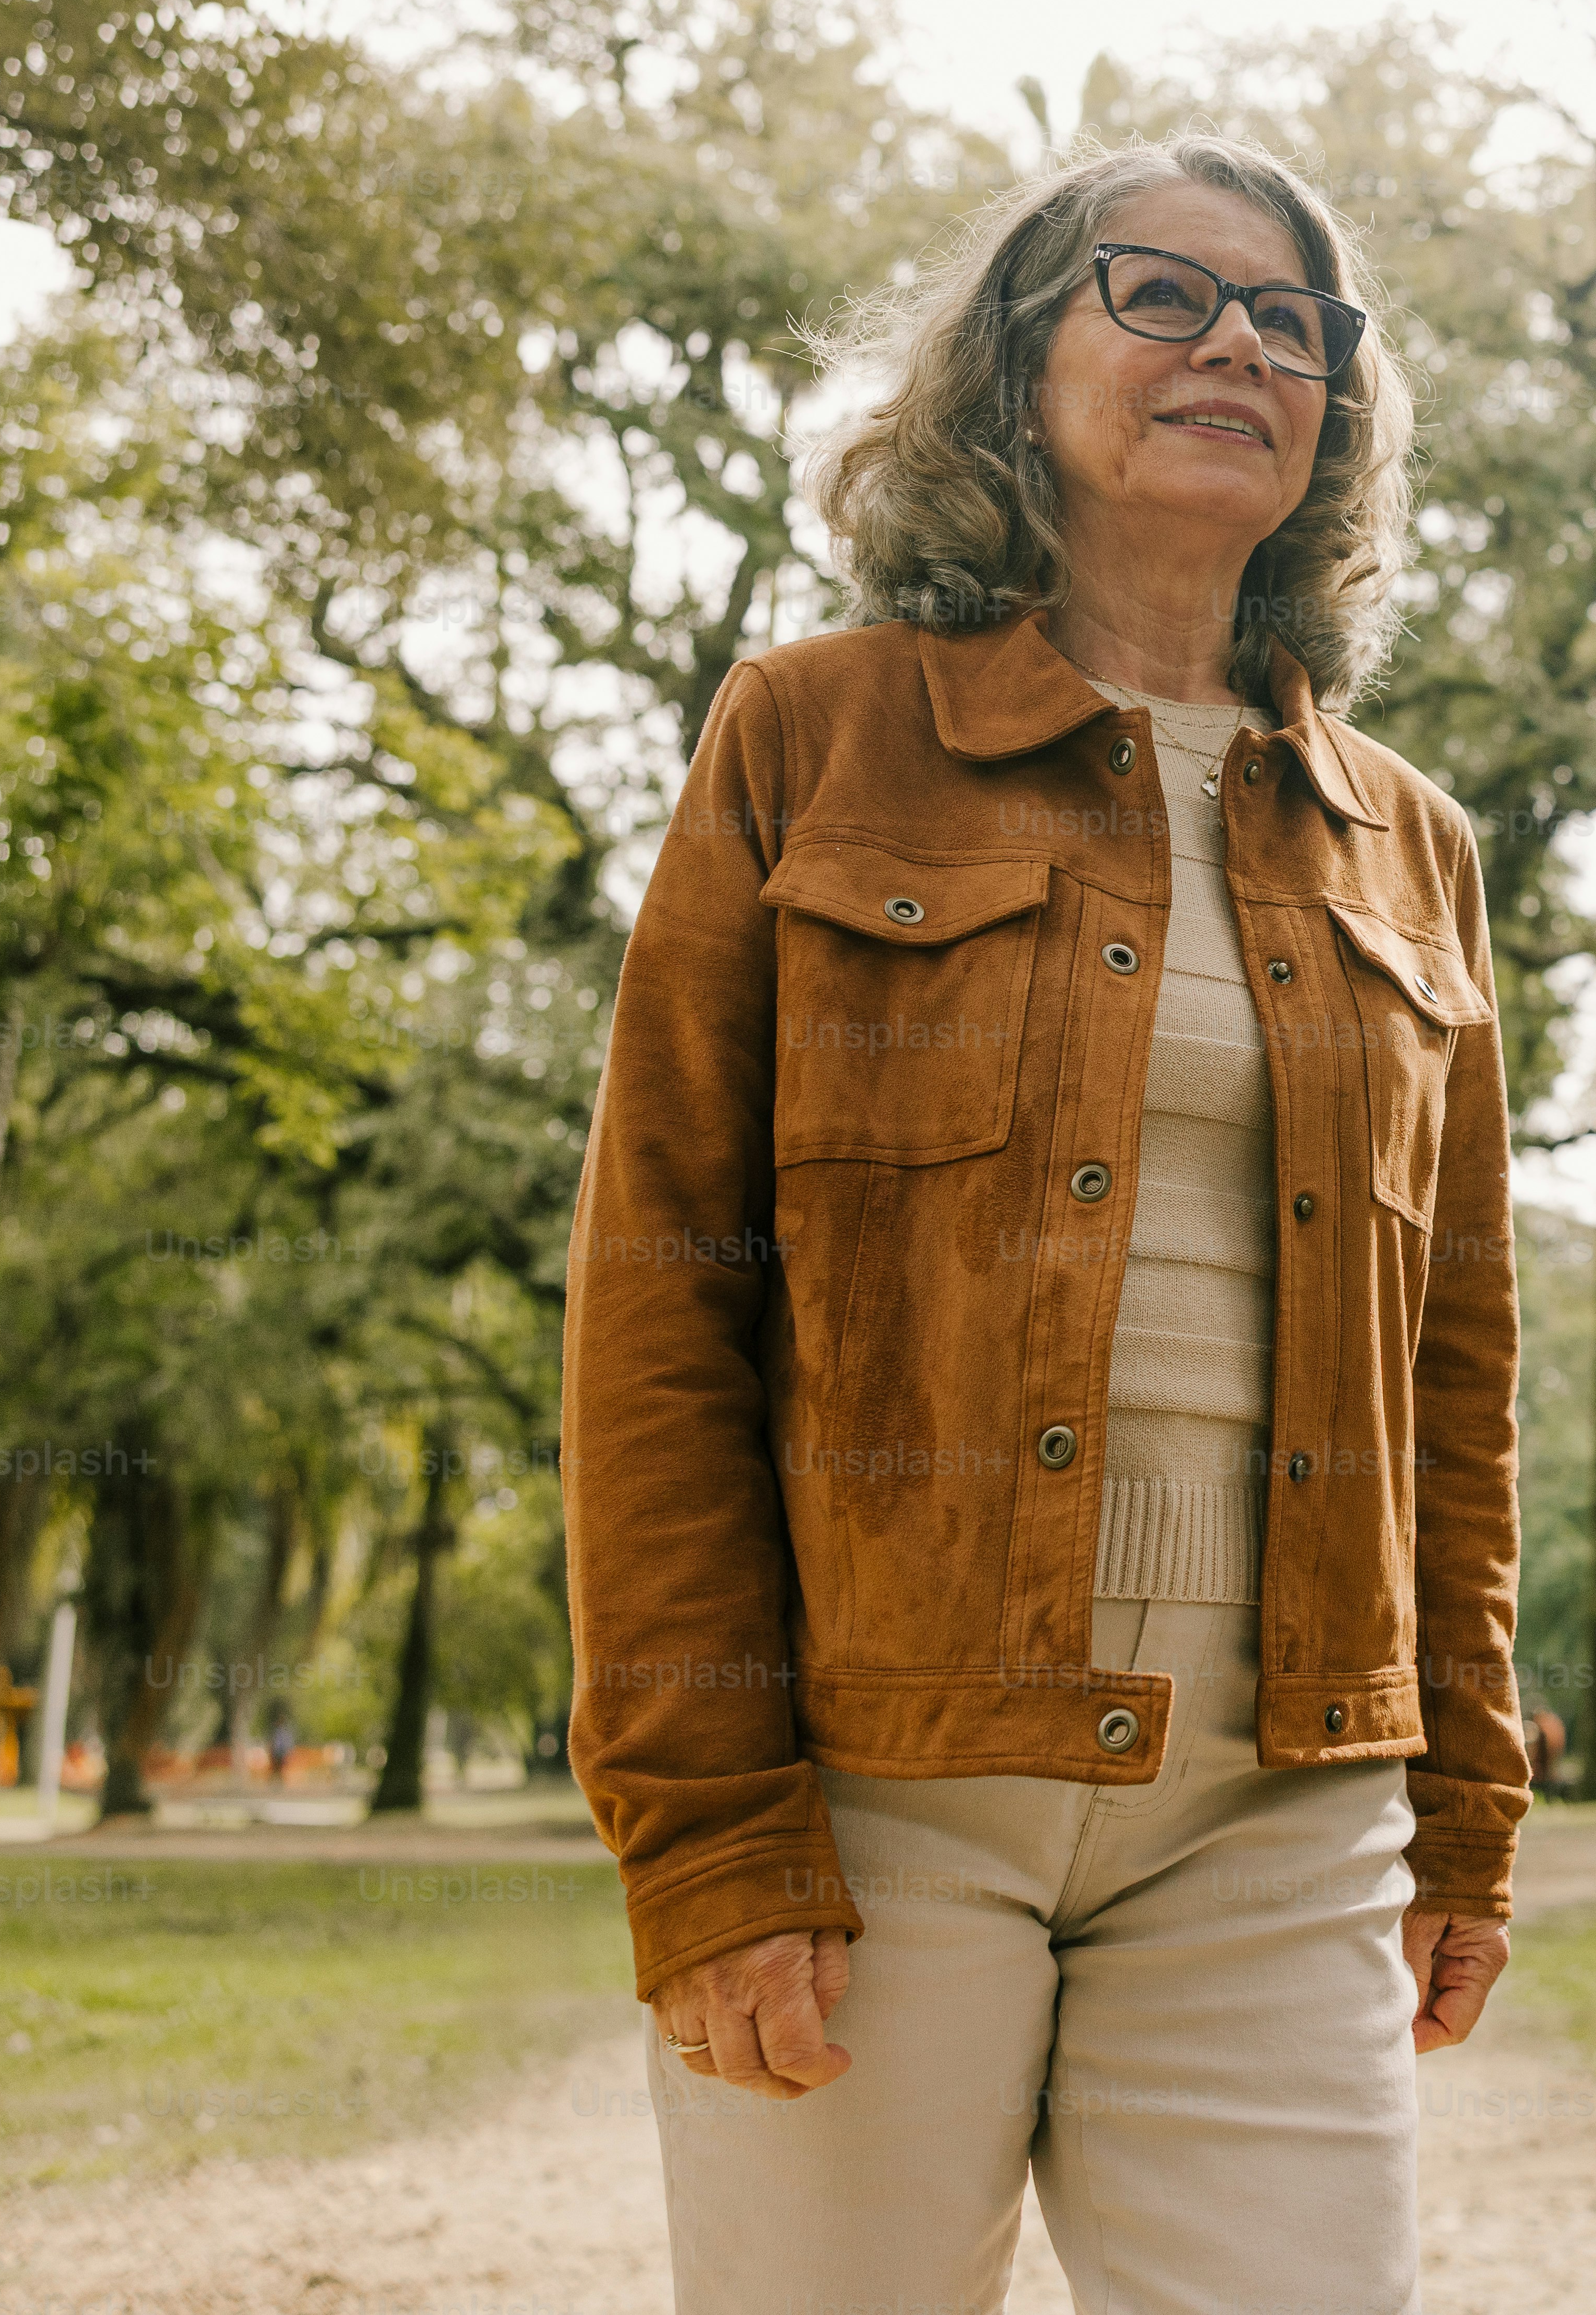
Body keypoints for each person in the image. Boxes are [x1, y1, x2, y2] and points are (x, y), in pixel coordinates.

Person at [563, 136, 1524, 2315]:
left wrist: (1463, 1795)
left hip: (1286, 1806)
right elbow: (655, 1306)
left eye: (1290, 319)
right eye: (1160, 294)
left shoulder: (1409, 849)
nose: (1237, 346)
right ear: (1016, 365)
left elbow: (1453, 1370)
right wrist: (709, 1830)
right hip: (878, 1775)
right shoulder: (811, 736)